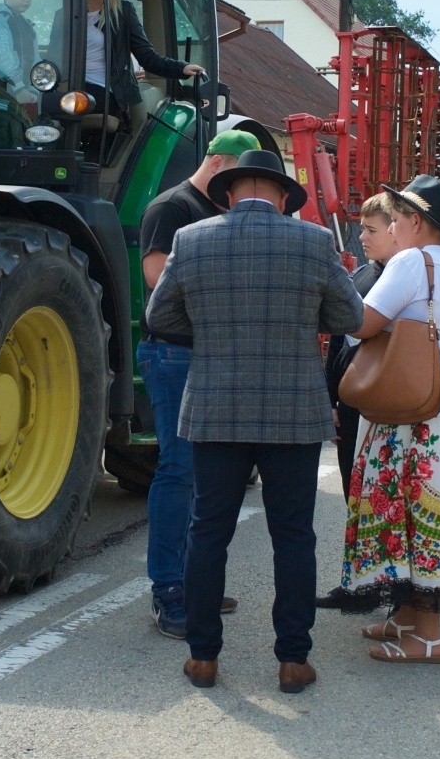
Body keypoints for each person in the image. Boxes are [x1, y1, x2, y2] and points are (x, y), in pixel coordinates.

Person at [145, 149, 363, 694]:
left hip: (215, 407)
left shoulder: (191, 239)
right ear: (284, 197)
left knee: (207, 532)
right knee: (293, 536)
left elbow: (159, 315)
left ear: (229, 194)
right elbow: (349, 316)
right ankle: (292, 660)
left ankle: (203, 658)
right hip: (294, 411)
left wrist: (212, 332)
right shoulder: (315, 242)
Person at [340, 175, 440, 665]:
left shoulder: (412, 261)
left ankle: (428, 636)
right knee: (433, 498)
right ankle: (410, 617)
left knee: (415, 503)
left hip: (412, 397)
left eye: (394, 219)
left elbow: (363, 322)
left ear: (414, 221)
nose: (390, 228)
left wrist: (331, 291)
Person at [139, 129, 262, 638]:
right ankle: (168, 591)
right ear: (216, 163)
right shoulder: (172, 208)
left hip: (208, 353)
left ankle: (194, 581)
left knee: (205, 473)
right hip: (174, 353)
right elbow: (155, 278)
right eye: (235, 178)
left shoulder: (214, 211)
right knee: (179, 469)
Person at [317, 190, 401, 614]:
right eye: (362, 229)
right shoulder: (364, 275)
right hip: (351, 402)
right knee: (356, 494)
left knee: (384, 499)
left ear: (396, 230)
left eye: (370, 230)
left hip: (383, 404)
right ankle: (360, 584)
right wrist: (330, 398)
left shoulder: (403, 278)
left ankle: (392, 589)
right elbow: (337, 339)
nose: (362, 237)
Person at [46, 0, 205, 123]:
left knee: (80, 104)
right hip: (73, 86)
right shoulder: (63, 15)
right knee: (48, 104)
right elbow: (53, 59)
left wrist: (181, 68)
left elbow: (147, 56)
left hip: (107, 91)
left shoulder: (123, 12)